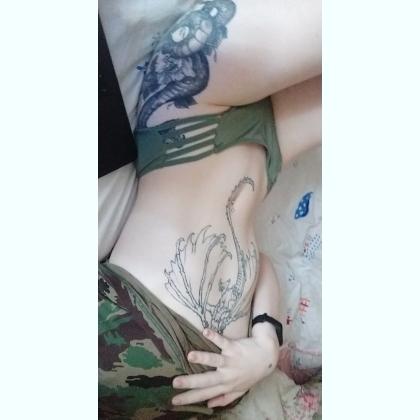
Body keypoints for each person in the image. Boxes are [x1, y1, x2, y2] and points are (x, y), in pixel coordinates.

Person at [98, 0, 321, 418]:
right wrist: (265, 345)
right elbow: (261, 267)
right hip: (269, 151)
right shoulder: (209, 403)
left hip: (194, 108)